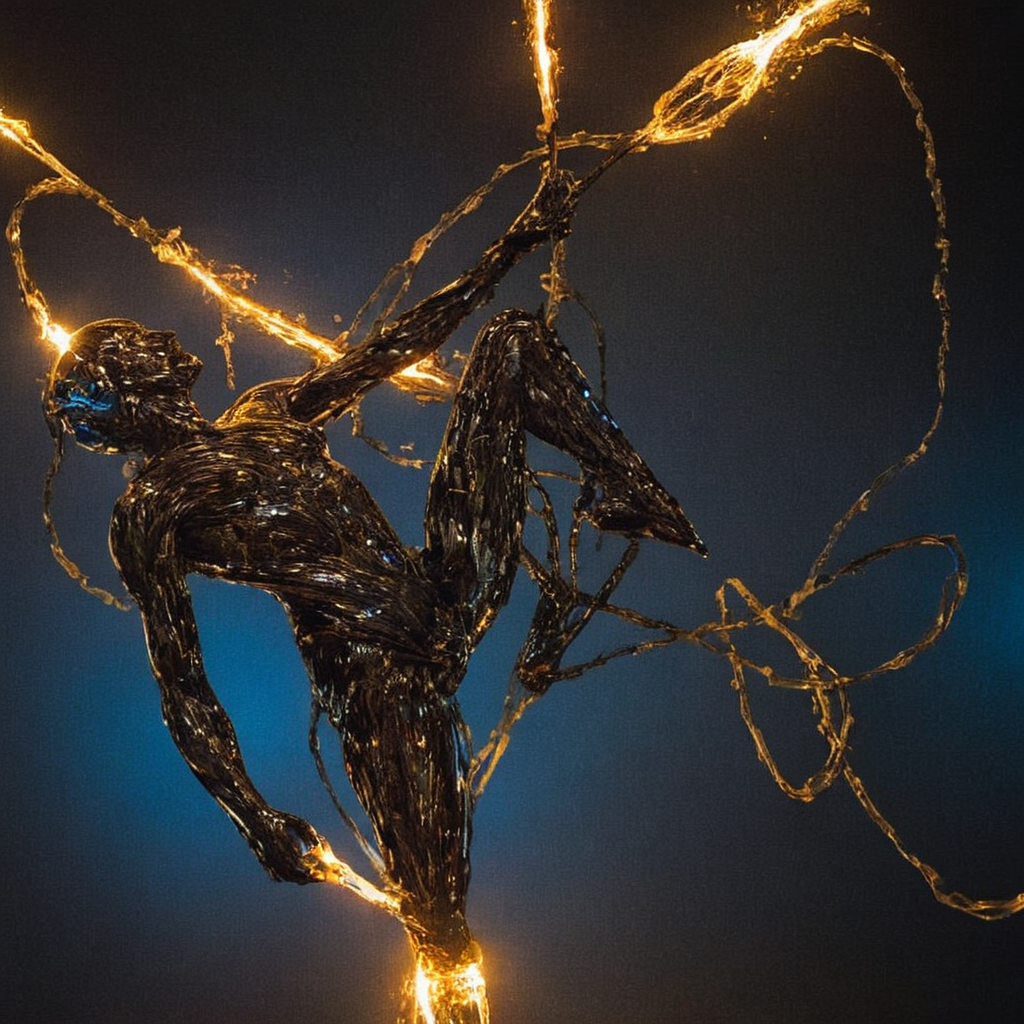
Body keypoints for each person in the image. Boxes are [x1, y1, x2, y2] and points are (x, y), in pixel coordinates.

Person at [43, 173, 705, 975]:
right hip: (374, 676)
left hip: (441, 586)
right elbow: (183, 684)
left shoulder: (267, 412)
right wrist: (253, 814)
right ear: (120, 388)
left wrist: (514, 244)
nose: (159, 335)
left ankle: (626, 490)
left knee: (511, 343)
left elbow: (393, 347)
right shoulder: (152, 509)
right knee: (438, 923)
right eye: (132, 341)